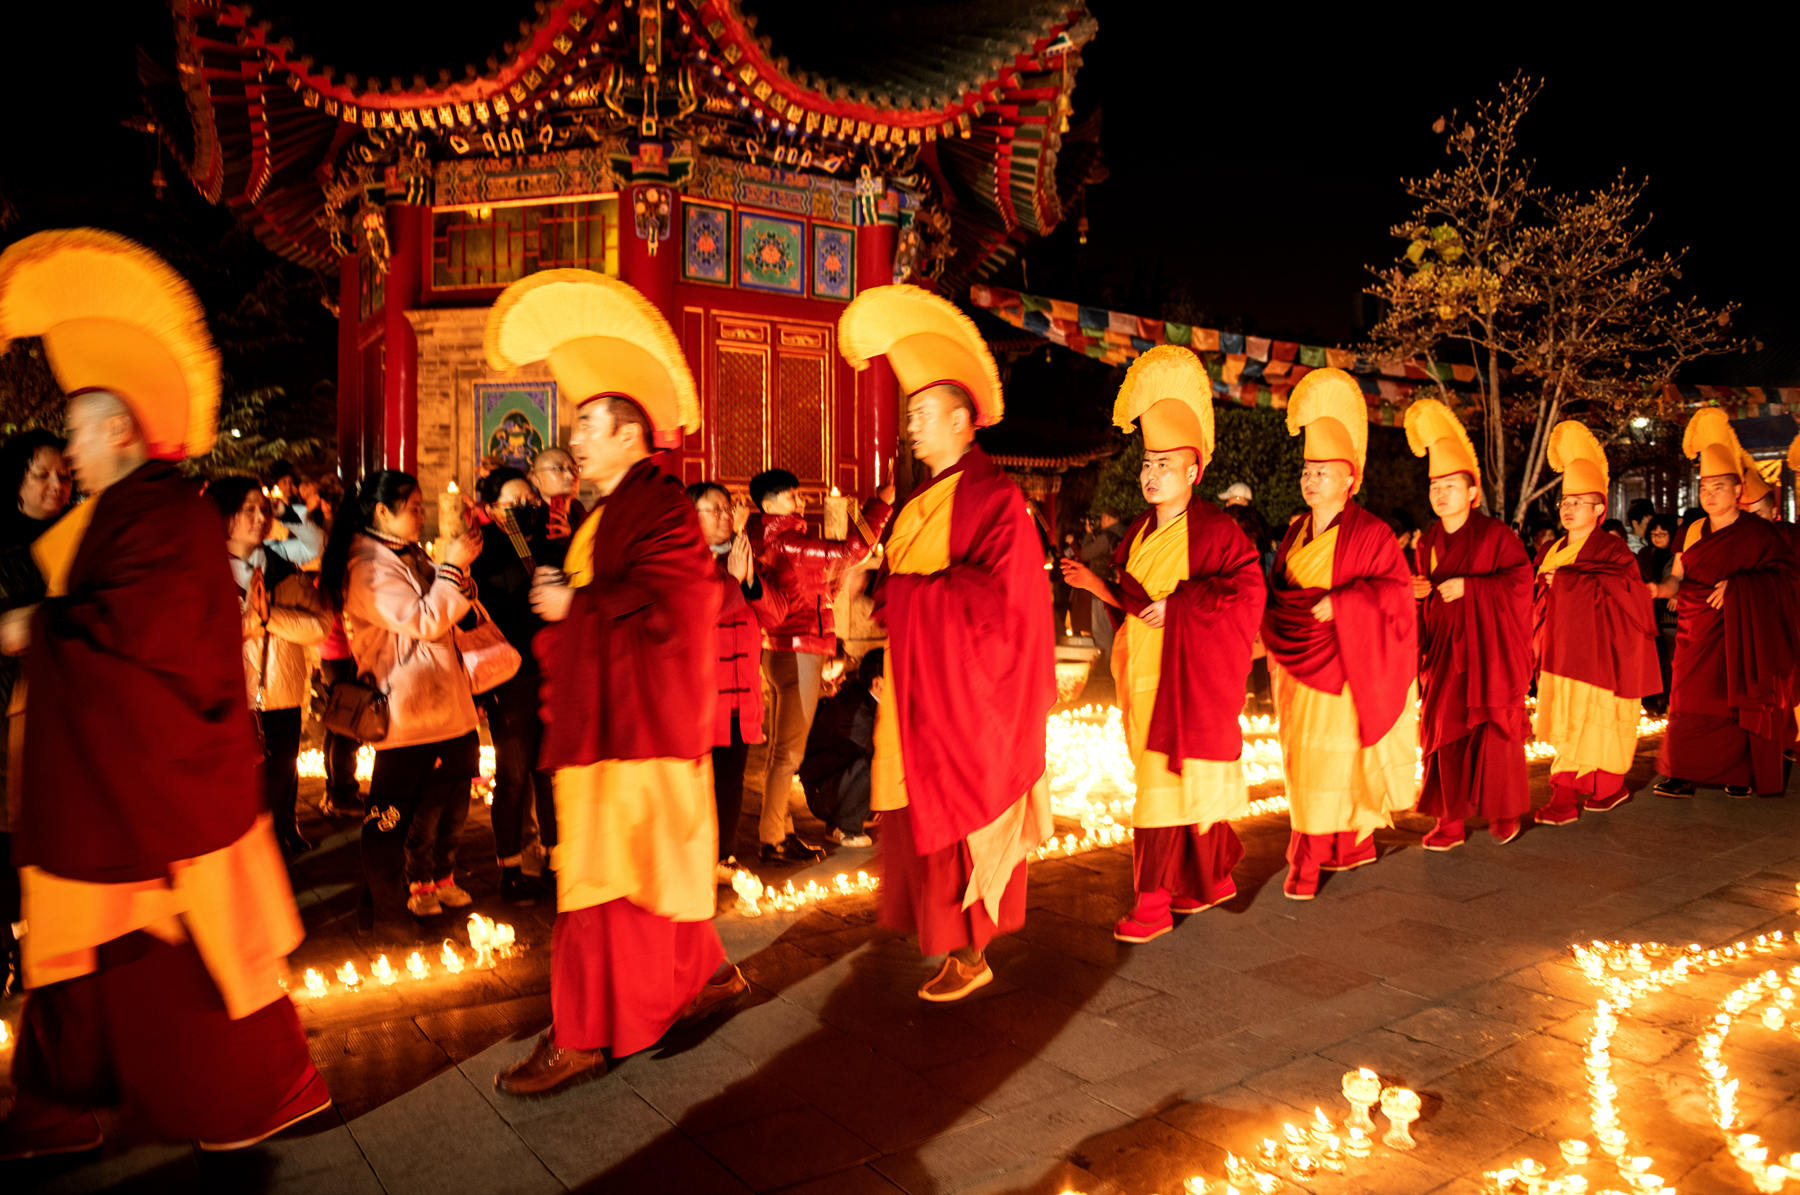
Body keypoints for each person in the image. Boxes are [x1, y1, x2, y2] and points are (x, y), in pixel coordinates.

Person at [0, 228, 327, 1157]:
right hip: (114, 771)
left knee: (170, 953)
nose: (65, 443)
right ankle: (61, 1101)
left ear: (116, 430)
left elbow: (140, 637)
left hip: (157, 778)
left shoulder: (167, 515)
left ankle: (256, 1088)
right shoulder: (120, 514)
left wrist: (39, 631)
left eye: (74, 424)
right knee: (85, 950)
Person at [488, 270, 744, 1096]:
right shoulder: (610, 511)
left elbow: (677, 600)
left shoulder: (660, 503)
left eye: (592, 425)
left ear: (633, 432)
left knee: (603, 882)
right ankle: (704, 974)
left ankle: (587, 1032)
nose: (578, 441)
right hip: (612, 718)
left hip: (630, 729)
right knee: (634, 873)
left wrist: (578, 602)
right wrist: (570, 607)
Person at [840, 282, 1054, 1002]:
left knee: (960, 805)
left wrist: (905, 596)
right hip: (916, 680)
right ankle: (948, 940)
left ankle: (973, 947)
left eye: (924, 414)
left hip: (966, 693)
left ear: (965, 421)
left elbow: (1001, 603)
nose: (912, 427)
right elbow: (905, 586)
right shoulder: (914, 502)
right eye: (909, 415)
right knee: (913, 809)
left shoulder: (995, 500)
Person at [1063, 347, 1264, 943]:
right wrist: (1099, 583)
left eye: (1166, 464)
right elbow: (1135, 601)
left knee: (1159, 789)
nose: (1152, 474)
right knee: (1176, 785)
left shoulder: (1217, 531)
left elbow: (1244, 593)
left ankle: (1151, 900)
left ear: (1194, 471)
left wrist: (1180, 606)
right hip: (1145, 672)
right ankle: (1208, 880)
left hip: (1188, 677)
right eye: (1148, 463)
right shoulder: (1139, 532)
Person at [1262, 368, 1419, 900]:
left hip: (1344, 666)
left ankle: (1312, 857)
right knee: (1304, 760)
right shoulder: (1293, 532)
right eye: (1307, 470)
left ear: (1350, 478)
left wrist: (1345, 602)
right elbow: (1281, 594)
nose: (1312, 480)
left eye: (1324, 471)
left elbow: (1396, 597)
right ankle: (1341, 846)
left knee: (1332, 760)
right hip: (1296, 666)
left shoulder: (1372, 533)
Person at [320, 470, 483, 922]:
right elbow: (424, 619)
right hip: (406, 709)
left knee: (446, 803)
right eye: (413, 507)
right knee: (388, 818)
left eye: (421, 507)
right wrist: (451, 569)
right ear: (380, 512)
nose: (422, 515)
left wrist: (459, 572)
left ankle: (406, 891)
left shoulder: (406, 554)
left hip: (443, 705)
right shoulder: (366, 567)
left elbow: (449, 604)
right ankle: (385, 909)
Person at [741, 467, 892, 865]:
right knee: (788, 753)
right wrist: (881, 505)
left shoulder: (769, 540)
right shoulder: (790, 542)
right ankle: (772, 839)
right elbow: (850, 552)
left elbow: (816, 583)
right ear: (769, 503)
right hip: (799, 650)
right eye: (792, 496)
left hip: (782, 651)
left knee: (781, 750)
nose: (800, 502)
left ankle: (780, 831)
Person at [1651, 408, 1799, 799]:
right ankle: (1681, 773)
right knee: (1686, 702)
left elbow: (1785, 578)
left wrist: (1739, 586)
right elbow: (1678, 577)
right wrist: (1659, 590)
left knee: (1731, 701)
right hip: (1693, 631)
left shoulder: (1759, 533)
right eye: (1705, 488)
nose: (1710, 495)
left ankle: (1738, 773)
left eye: (1719, 487)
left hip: (1738, 632)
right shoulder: (1694, 529)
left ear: (1737, 491)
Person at [1404, 399, 1532, 849]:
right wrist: (1417, 592)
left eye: (1451, 485)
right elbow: (1424, 593)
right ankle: (1450, 821)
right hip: (1442, 655)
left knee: (1493, 731)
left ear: (1472, 492)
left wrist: (1472, 588)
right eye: (1435, 486)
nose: (1441, 494)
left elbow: (1520, 581)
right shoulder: (1428, 540)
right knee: (1443, 734)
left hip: (1486, 652)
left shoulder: (1497, 535)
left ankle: (1503, 810)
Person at [1531, 423, 1662, 825]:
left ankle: (1607, 786)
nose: (1568, 509)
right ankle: (1565, 790)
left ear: (1599, 509)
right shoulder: (1554, 549)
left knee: (1599, 722)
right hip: (1561, 654)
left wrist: (1567, 583)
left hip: (1602, 659)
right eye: (1565, 502)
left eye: (1579, 502)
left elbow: (1630, 594)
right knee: (1567, 721)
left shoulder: (1612, 549)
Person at [209, 476, 331, 860]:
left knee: (283, 773)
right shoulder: (207, 573)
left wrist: (269, 618)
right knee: (242, 784)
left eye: (263, 508)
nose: (260, 516)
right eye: (249, 509)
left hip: (283, 691)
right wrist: (250, 623)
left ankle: (282, 832)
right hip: (235, 696)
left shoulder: (282, 564)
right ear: (223, 517)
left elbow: (320, 625)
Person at [0, 430, 72, 999]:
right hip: (11, 714)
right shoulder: (4, 547)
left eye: (64, 475)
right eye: (41, 475)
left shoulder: (84, 538)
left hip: (68, 714)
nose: (56, 485)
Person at [689, 481, 788, 877]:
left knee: (732, 779)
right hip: (700, 696)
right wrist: (732, 580)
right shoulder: (682, 564)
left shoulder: (746, 558)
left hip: (740, 691)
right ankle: (696, 855)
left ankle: (724, 854)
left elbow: (777, 613)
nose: (726, 515)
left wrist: (748, 580)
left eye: (728, 508)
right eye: (714, 509)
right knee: (699, 780)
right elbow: (699, 615)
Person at [470, 466, 557, 906]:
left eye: (530, 502)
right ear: (490, 509)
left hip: (550, 672)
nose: (525, 510)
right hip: (509, 676)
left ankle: (552, 860)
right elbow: (504, 596)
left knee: (550, 771)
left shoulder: (544, 544)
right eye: (513, 503)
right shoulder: (484, 555)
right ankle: (510, 867)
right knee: (514, 773)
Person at [798, 648, 882, 849]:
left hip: (829, 784)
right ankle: (845, 827)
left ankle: (847, 818)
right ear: (878, 683)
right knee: (881, 761)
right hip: (823, 793)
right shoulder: (857, 711)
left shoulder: (862, 697)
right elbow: (877, 750)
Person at [1081, 508, 1126, 660]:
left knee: (1102, 630)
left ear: (1107, 518)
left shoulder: (1106, 537)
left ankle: (1108, 666)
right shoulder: (1127, 533)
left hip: (1102, 587)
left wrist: (1088, 533)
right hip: (1120, 588)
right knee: (1116, 629)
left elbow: (1085, 554)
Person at [529, 446, 587, 563]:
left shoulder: (577, 508)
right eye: (558, 468)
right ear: (536, 480)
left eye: (574, 469)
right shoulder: (530, 514)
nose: (571, 476)